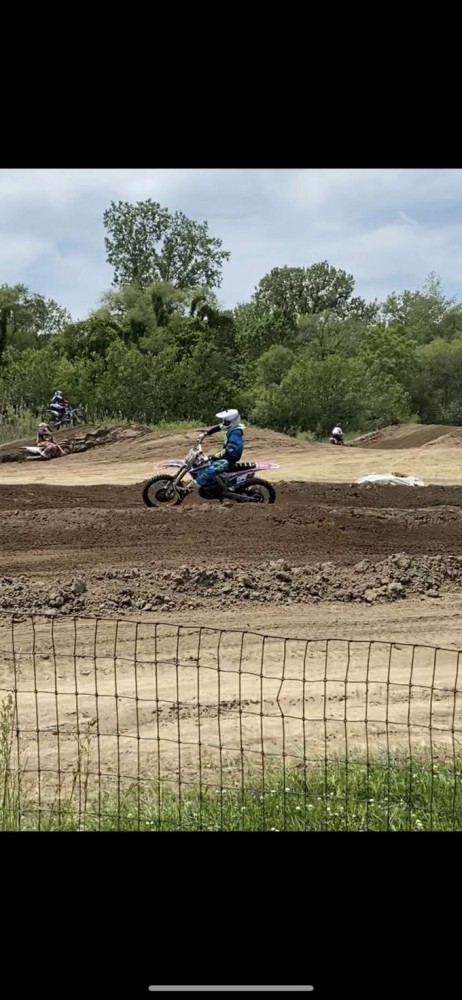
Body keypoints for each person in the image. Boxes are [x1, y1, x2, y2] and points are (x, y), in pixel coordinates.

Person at [196, 409, 245, 492]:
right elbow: (219, 427)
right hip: (227, 456)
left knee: (208, 471)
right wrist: (205, 434)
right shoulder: (231, 427)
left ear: (233, 421)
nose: (224, 423)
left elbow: (230, 450)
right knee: (206, 464)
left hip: (229, 459)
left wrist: (213, 456)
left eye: (226, 422)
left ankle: (219, 490)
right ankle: (215, 484)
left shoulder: (235, 433)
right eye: (224, 421)